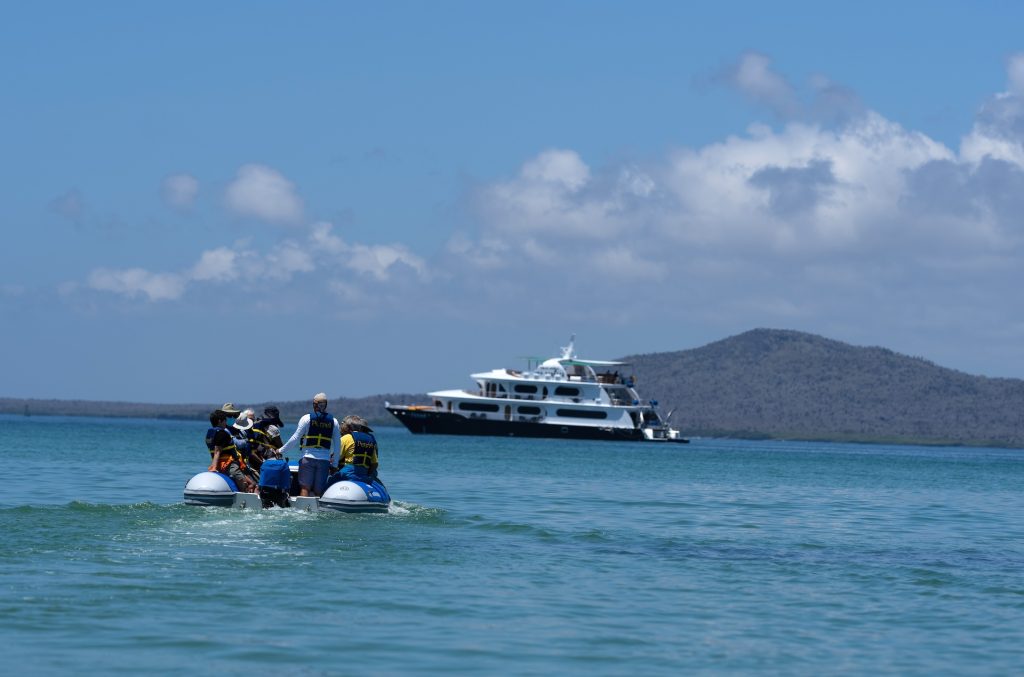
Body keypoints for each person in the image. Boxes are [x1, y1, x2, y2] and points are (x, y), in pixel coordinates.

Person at [279, 393, 339, 497]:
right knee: (318, 490)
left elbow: (295, 439)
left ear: (314, 405)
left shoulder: (306, 419)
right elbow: (338, 446)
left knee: (305, 488)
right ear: (326, 405)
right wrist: (335, 465)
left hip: (307, 458)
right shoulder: (334, 422)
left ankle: (303, 512)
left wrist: (280, 451)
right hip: (324, 460)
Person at [205, 409, 257, 492]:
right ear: (219, 421)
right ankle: (246, 492)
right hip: (230, 466)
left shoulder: (210, 434)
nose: (226, 423)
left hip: (227, 465)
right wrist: (213, 467)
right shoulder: (222, 434)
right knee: (244, 484)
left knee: (251, 482)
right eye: (225, 420)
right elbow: (217, 451)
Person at [333, 414, 379, 483]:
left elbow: (335, 459)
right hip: (365, 473)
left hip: (348, 472)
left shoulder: (347, 438)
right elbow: (375, 463)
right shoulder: (371, 440)